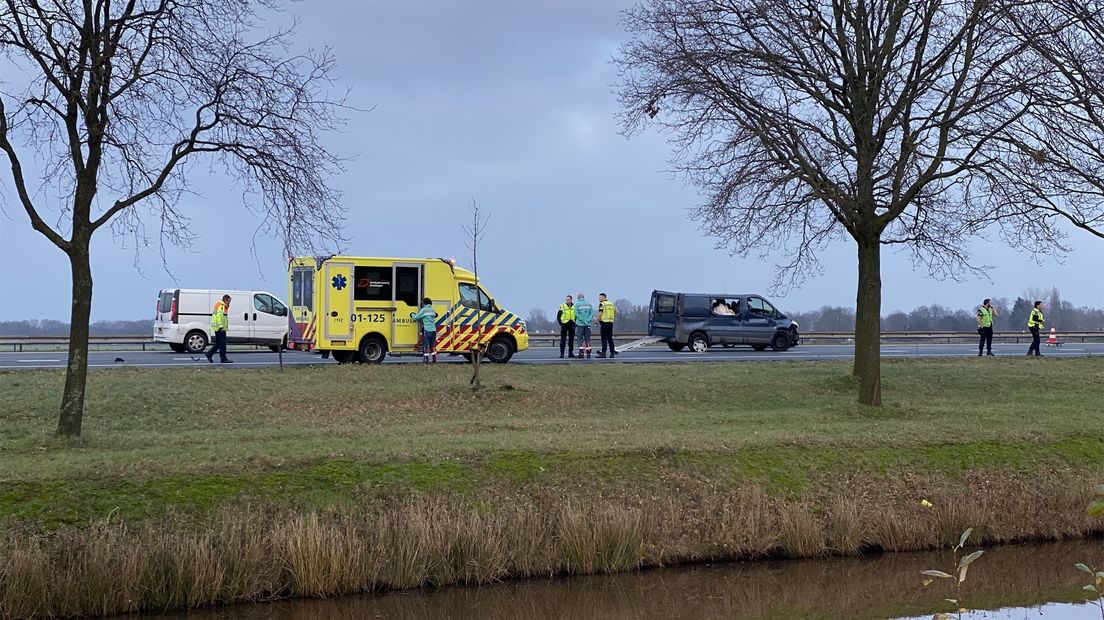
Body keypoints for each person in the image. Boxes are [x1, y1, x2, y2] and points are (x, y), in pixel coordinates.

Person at [410, 297, 439, 363]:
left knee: (426, 345)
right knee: (432, 345)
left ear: (424, 303)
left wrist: (412, 314)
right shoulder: (432, 310)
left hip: (427, 329)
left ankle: (426, 360)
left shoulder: (423, 310)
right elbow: (435, 315)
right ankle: (435, 359)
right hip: (434, 330)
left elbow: (416, 317)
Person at [206, 294, 232, 363]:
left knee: (218, 344)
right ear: (226, 300)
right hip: (220, 328)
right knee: (223, 344)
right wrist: (221, 327)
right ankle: (223, 358)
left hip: (217, 327)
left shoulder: (219, 304)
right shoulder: (221, 306)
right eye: (229, 301)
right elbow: (219, 317)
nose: (229, 303)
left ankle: (209, 354)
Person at [574, 292, 595, 359]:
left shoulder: (577, 305)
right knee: (587, 338)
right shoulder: (589, 304)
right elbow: (592, 313)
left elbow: (576, 314)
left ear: (578, 298)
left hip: (580, 324)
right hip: (588, 324)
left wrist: (583, 320)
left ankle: (581, 353)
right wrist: (588, 320)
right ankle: (588, 353)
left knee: (580, 339)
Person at [597, 293, 618, 358]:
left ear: (604, 297)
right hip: (610, 322)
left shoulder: (602, 304)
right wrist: (612, 316)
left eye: (600, 297)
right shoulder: (611, 304)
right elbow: (617, 311)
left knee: (604, 339)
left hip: (604, 322)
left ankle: (603, 353)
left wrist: (597, 321)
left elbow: (600, 313)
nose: (599, 299)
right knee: (610, 338)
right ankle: (612, 352)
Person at [557, 294, 576, 359]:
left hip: (572, 324)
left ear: (571, 300)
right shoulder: (563, 306)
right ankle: (562, 353)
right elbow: (558, 316)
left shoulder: (574, 306)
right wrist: (561, 323)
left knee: (571, 340)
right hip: (564, 324)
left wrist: (575, 323)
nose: (567, 300)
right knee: (563, 340)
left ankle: (570, 353)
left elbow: (576, 315)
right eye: (566, 299)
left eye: (568, 299)